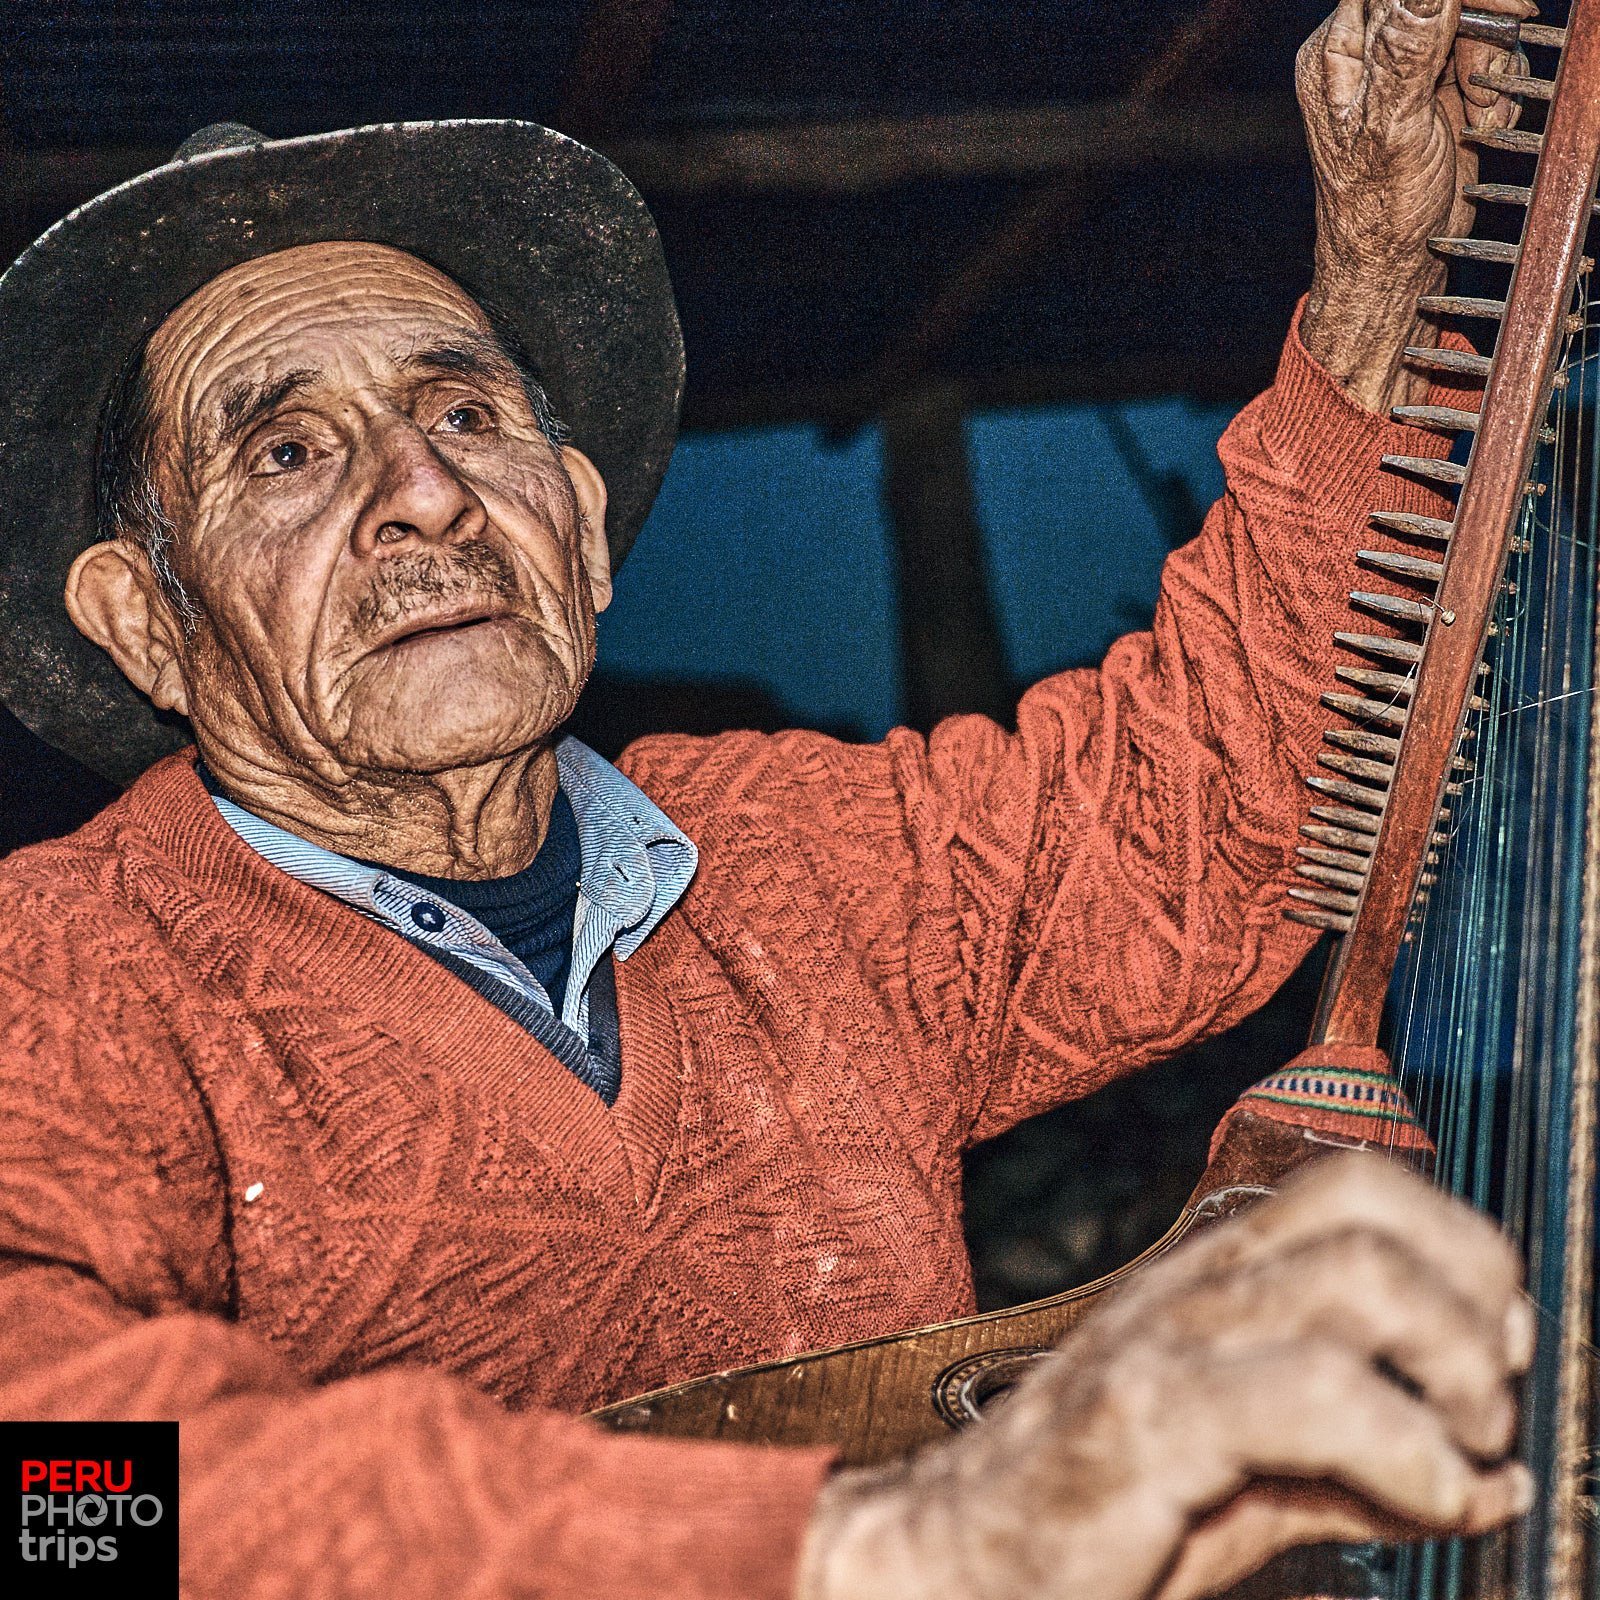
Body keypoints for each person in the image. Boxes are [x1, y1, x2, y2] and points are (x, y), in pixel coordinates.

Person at [0, 0, 1539, 1595]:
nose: (425, 494)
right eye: (286, 455)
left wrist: (1381, 290)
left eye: (465, 415)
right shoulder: (62, 972)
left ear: (580, 524)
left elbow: (1203, 813)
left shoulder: (800, 860)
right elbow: (60, 1495)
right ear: (145, 626)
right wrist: (886, 1540)